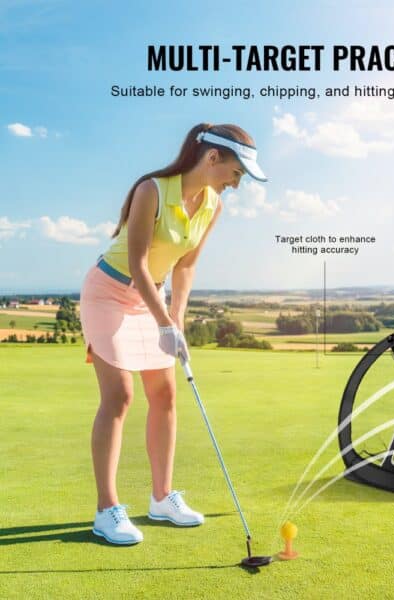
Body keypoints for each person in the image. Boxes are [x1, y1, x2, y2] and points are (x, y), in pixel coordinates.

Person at [79, 123, 267, 545]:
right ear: (213, 158)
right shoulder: (151, 190)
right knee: (120, 396)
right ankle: (106, 510)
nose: (237, 184)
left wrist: (176, 319)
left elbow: (184, 267)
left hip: (153, 297)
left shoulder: (213, 205)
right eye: (237, 173)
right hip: (109, 292)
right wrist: (163, 321)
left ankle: (162, 498)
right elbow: (140, 264)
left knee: (164, 394)